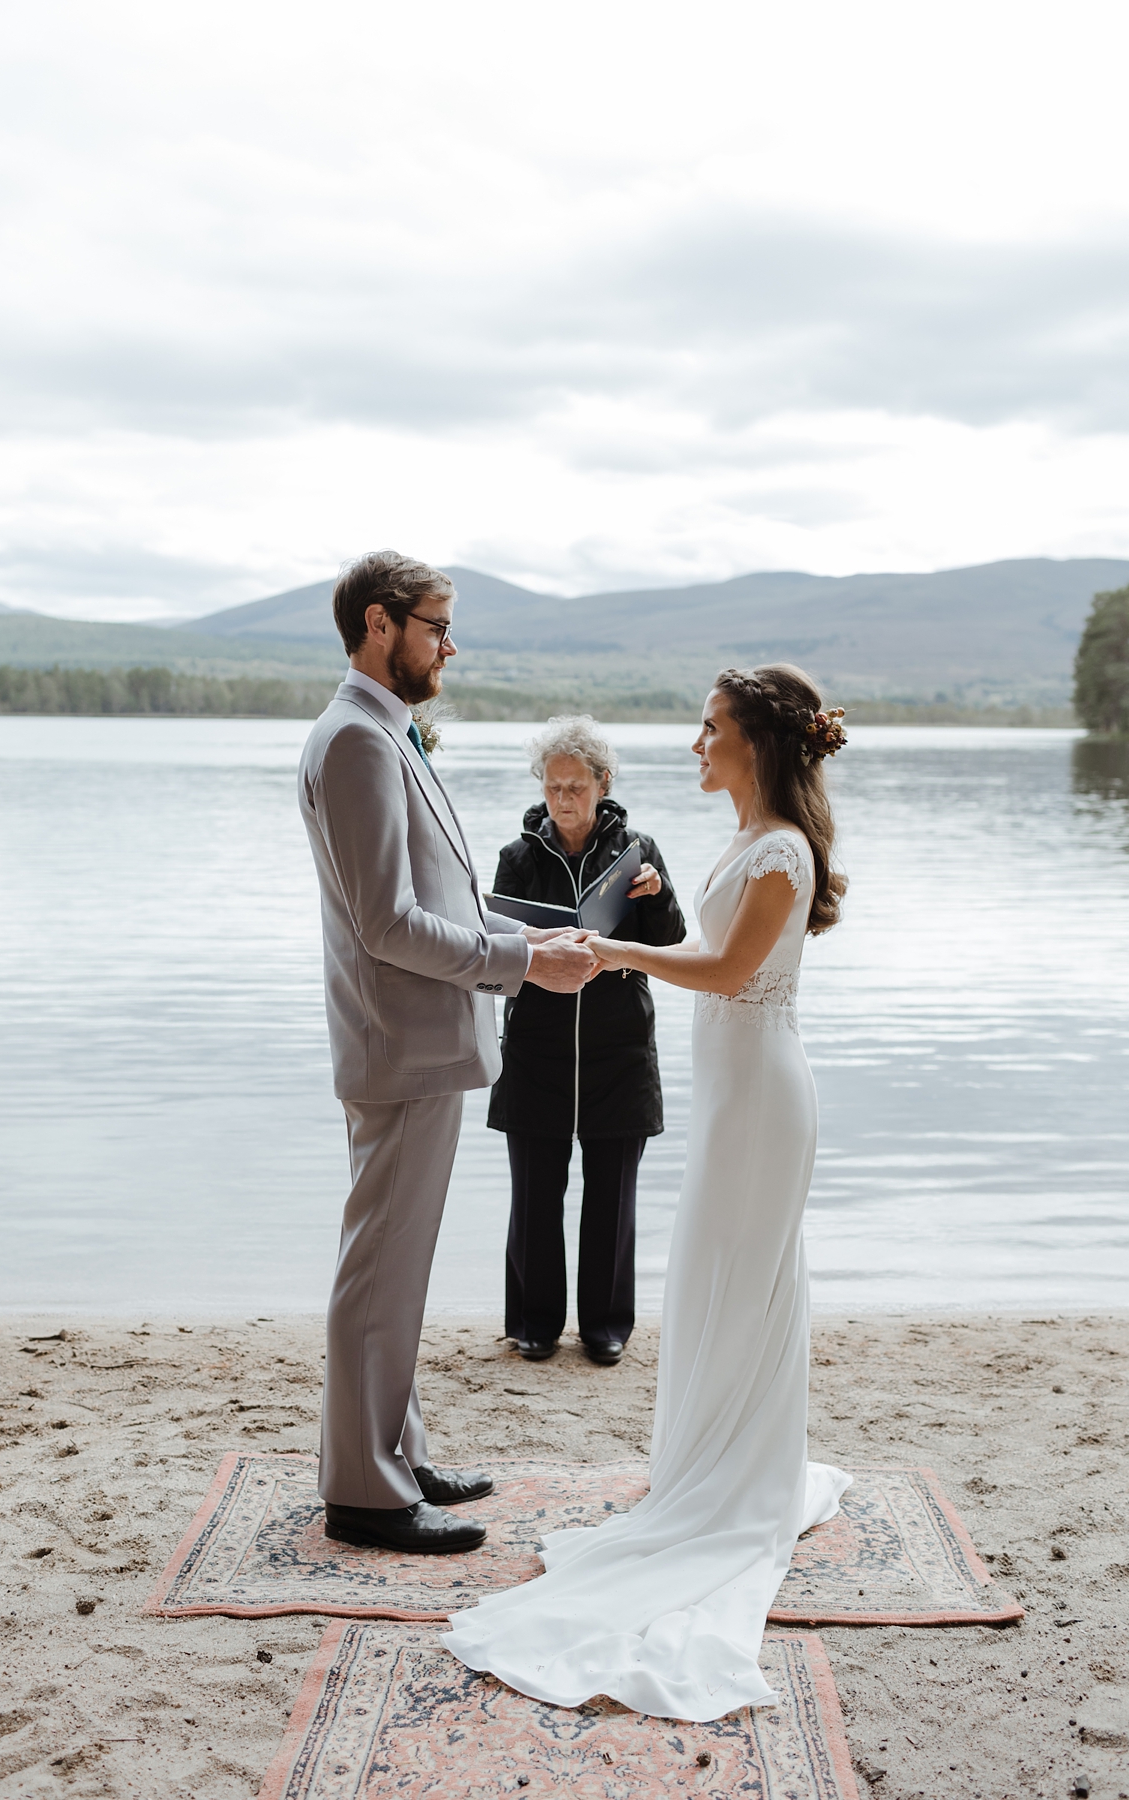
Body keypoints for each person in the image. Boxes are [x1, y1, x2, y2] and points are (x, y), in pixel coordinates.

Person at [443, 664, 852, 1718]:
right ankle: (711, 1464)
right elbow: (712, 960)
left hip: (762, 1094)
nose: (696, 743)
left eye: (710, 727)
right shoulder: (745, 838)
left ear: (757, 740)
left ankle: (737, 1485)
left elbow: (721, 971)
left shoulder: (781, 851)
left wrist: (615, 947)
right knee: (717, 1279)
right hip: (732, 1093)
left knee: (743, 1277)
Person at [297, 550, 596, 1556]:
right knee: (379, 1263)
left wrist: (535, 938)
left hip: (417, 1039)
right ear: (380, 625)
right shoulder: (355, 743)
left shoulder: (384, 732)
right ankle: (364, 1492)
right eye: (435, 624)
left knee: (395, 1262)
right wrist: (518, 963)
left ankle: (396, 1453)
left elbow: (437, 896)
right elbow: (387, 923)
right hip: (400, 1041)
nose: (449, 643)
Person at [487, 716, 686, 1365]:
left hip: (618, 1054)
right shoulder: (518, 858)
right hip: (537, 1053)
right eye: (553, 787)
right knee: (535, 1200)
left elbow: (672, 943)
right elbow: (494, 950)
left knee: (612, 1201)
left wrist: (653, 899)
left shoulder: (637, 851)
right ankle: (535, 1324)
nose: (563, 798)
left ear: (603, 782)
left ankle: (605, 1327)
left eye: (575, 785)